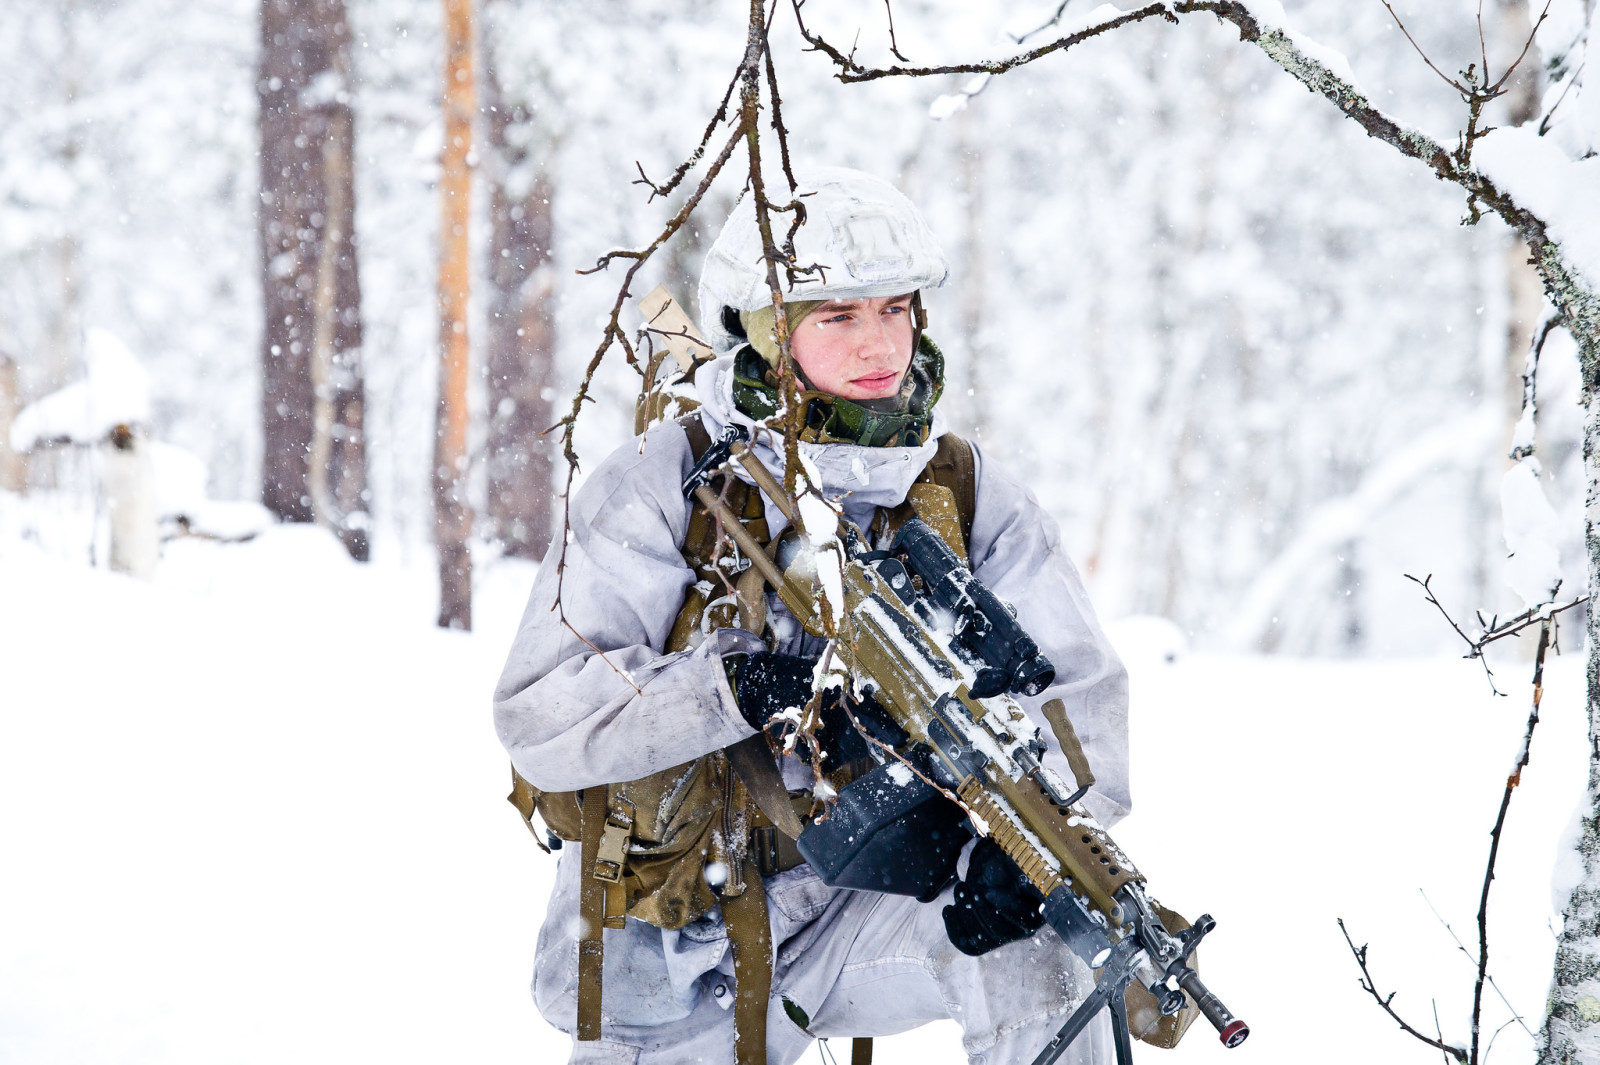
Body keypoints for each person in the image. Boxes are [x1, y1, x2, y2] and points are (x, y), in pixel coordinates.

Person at [494, 166, 1130, 1065]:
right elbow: (540, 708)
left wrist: (1017, 846)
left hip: (860, 915)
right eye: (837, 316)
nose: (879, 343)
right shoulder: (661, 481)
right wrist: (735, 688)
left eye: (895, 309)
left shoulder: (969, 493)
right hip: (669, 948)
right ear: (768, 332)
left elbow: (1085, 706)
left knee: (1042, 940)